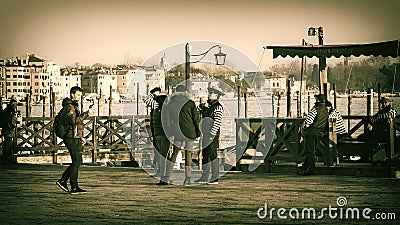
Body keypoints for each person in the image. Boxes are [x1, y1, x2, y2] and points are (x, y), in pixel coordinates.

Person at [56, 86, 93, 194]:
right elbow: (74, 121)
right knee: (77, 161)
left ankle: (65, 181)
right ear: (72, 94)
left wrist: (81, 137)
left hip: (74, 136)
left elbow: (75, 123)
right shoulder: (70, 107)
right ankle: (72, 185)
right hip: (71, 137)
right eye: (77, 95)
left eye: (80, 96)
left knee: (77, 161)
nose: (78, 98)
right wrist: (86, 114)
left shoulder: (71, 106)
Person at [164, 84, 201, 186]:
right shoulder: (190, 103)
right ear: (186, 92)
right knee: (188, 154)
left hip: (177, 132)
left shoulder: (170, 104)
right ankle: (187, 178)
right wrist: (198, 132)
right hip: (190, 132)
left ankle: (166, 177)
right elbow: (196, 119)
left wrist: (170, 132)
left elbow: (167, 121)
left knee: (174, 153)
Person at [195, 87, 224, 185]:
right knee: (205, 156)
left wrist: (212, 133)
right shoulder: (207, 106)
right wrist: (203, 105)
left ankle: (215, 178)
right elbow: (197, 109)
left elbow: (217, 122)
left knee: (212, 156)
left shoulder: (218, 107)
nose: (209, 95)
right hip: (205, 134)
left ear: (216, 95)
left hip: (212, 135)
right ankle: (204, 176)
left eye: (211, 93)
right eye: (209, 93)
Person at [144, 87, 171, 185]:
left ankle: (161, 172)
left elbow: (146, 99)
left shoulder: (155, 107)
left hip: (156, 133)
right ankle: (164, 176)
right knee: (164, 155)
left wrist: (153, 93)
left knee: (159, 154)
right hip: (164, 135)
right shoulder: (167, 109)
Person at [298, 94, 329, 175]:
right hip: (320, 132)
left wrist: (304, 128)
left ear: (318, 100)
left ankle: (310, 169)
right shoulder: (326, 110)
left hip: (311, 132)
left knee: (309, 151)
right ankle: (305, 166)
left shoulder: (315, 109)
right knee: (313, 150)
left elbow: (308, 121)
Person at [0, 99, 19, 165]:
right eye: (15, 104)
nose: (16, 106)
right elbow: (8, 120)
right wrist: (11, 126)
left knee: (9, 144)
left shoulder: (7, 110)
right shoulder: (9, 111)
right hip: (7, 129)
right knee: (8, 144)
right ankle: (6, 159)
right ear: (12, 104)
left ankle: (9, 159)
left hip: (6, 128)